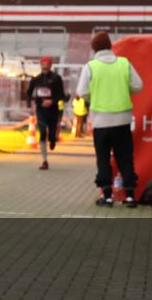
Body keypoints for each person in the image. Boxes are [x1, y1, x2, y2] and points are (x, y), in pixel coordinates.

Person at [75, 31, 143, 207]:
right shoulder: (124, 63)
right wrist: (123, 90)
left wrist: (95, 96)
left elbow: (82, 91)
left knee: (103, 159)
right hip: (122, 120)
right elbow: (138, 85)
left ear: (94, 48)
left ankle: (107, 195)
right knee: (125, 158)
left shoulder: (90, 66)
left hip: (101, 121)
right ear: (110, 45)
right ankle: (129, 195)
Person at [26, 57, 67, 170]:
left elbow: (61, 95)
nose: (45, 65)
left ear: (50, 65)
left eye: (47, 63)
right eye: (43, 63)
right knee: (43, 132)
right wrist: (30, 106)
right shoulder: (36, 79)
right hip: (41, 110)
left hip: (53, 110)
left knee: (52, 133)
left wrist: (52, 101)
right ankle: (45, 160)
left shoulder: (56, 78)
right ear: (40, 65)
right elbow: (29, 93)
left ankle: (53, 139)